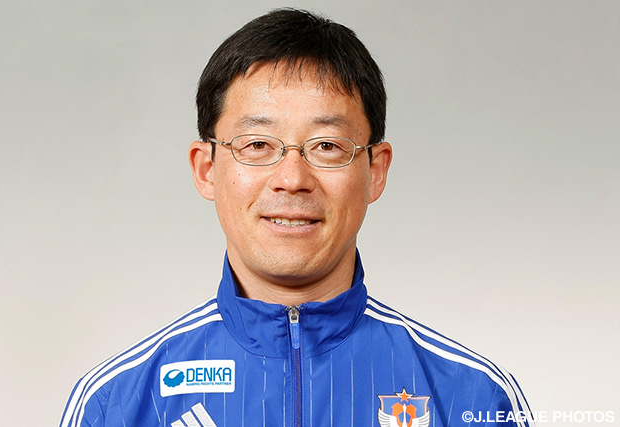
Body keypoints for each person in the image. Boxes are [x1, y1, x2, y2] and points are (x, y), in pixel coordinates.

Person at [60, 8, 532, 427]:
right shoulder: (115, 404)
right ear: (206, 169)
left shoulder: (475, 398)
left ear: (375, 171)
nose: (291, 179)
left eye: (326, 146)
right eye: (257, 145)